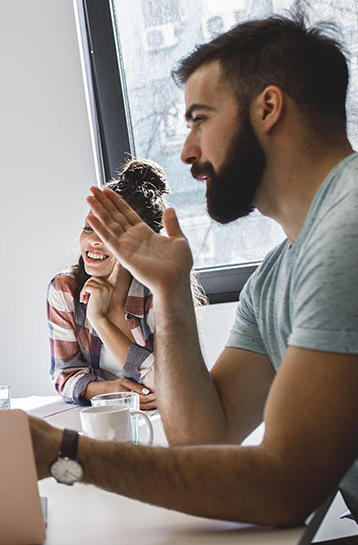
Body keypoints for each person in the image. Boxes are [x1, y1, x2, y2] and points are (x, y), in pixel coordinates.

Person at [18, 13, 358, 525]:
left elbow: (284, 487)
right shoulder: (276, 275)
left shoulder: (346, 234)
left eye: (199, 119)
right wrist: (169, 291)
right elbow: (204, 437)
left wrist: (66, 453)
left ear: (268, 108)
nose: (187, 152)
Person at [48, 159, 203, 410]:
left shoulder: (161, 291)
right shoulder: (65, 290)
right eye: (89, 228)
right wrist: (109, 390)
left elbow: (174, 386)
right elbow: (64, 375)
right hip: (103, 414)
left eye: (109, 233)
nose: (94, 242)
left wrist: (100, 320)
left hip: (165, 420)